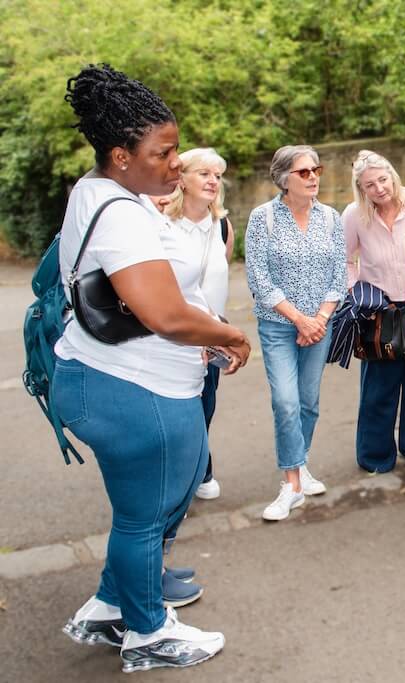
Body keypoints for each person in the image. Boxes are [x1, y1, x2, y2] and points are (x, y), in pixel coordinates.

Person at [55, 64, 250, 673]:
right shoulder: (121, 214)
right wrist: (228, 334)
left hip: (104, 378)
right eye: (162, 153)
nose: (173, 164)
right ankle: (148, 632)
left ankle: (111, 603)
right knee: (146, 518)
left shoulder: (95, 191)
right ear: (120, 155)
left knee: (151, 507)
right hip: (132, 388)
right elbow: (165, 313)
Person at [245, 145, 346, 521]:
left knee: (308, 402)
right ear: (283, 179)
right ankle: (291, 486)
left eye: (315, 170)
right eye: (304, 172)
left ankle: (299, 465)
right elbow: (258, 277)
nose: (314, 177)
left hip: (320, 324)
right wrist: (299, 320)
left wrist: (318, 319)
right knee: (285, 402)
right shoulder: (263, 218)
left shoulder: (331, 218)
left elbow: (339, 274)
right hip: (278, 327)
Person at [341, 150, 405, 473]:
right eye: (369, 185)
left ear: (393, 176)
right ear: (361, 188)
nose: (379, 189)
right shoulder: (355, 215)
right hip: (380, 310)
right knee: (379, 388)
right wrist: (358, 292)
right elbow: (344, 260)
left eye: (383, 180)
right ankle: (375, 456)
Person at [162, 148, 234, 501]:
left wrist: (218, 333)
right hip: (172, 338)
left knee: (205, 407)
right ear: (182, 179)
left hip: (212, 339)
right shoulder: (161, 224)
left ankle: (201, 470)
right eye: (204, 173)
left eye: (217, 176)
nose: (213, 181)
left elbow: (217, 282)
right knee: (176, 415)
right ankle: (177, 485)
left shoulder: (222, 225)